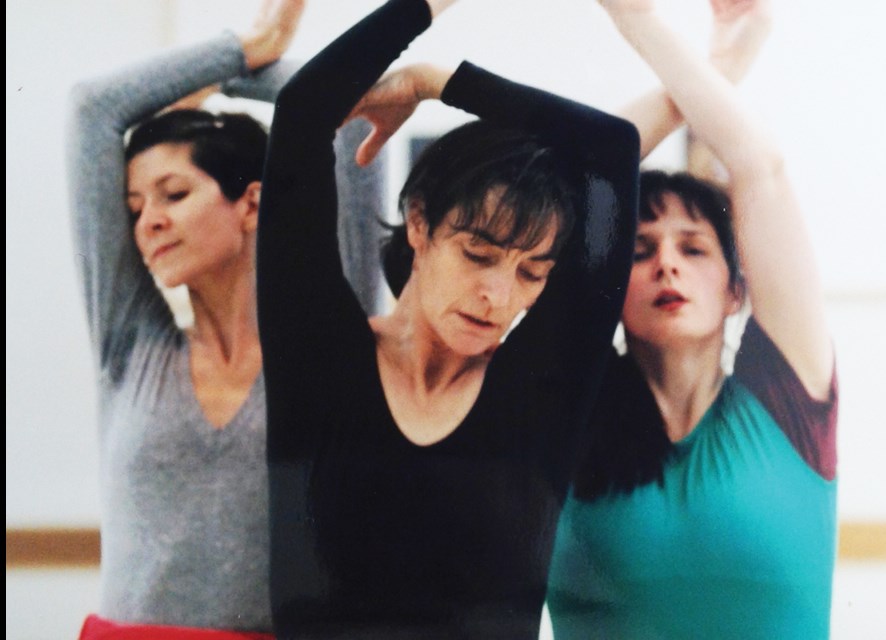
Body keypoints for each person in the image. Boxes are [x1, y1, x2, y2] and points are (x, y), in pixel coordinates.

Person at [255, 0, 640, 637]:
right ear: (420, 223)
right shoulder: (316, 352)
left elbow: (612, 147)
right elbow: (302, 112)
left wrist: (438, 81)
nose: (498, 295)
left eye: (531, 273)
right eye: (479, 254)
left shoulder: (545, 386)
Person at [65, 1, 386, 636]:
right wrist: (244, 45)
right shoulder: (130, 340)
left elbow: (357, 111)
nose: (147, 222)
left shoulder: (324, 339)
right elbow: (91, 110)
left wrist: (244, 74)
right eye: (133, 207)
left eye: (174, 195)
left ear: (251, 202)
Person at [546, 0, 839, 638]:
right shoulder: (566, 408)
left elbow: (760, 168)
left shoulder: (788, 395)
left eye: (693, 248)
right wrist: (716, 65)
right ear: (611, 289)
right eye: (642, 251)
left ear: (737, 290)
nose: (667, 267)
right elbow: (555, 188)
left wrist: (646, 23)